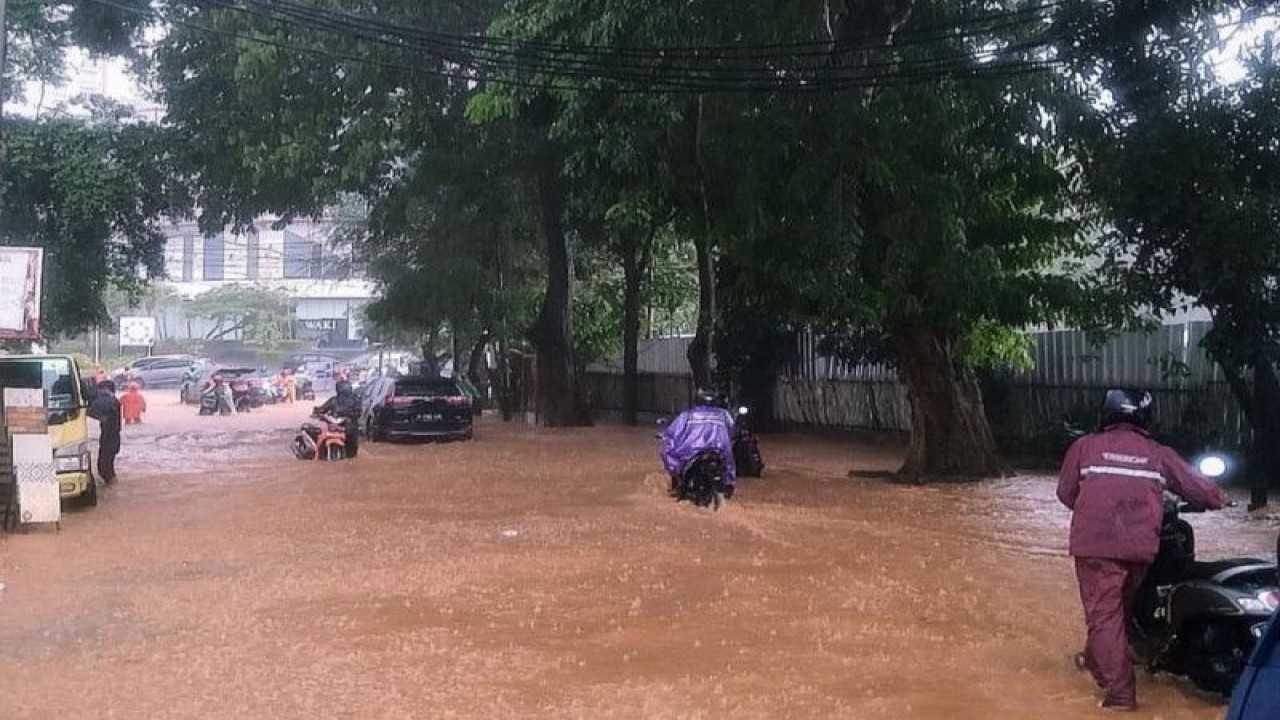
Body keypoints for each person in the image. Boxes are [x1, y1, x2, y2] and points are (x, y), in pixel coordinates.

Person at [1057, 388, 1228, 712]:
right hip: (1139, 549)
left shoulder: (1083, 448)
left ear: (1105, 415)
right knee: (1114, 612)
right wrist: (1222, 500)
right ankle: (1096, 660)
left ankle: (1120, 696)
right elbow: (1201, 490)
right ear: (1145, 419)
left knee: (1104, 615)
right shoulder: (1156, 453)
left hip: (1095, 547)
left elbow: (1066, 494)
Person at [660, 388, 737, 496]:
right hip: (718, 450)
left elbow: (672, 433)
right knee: (729, 461)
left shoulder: (687, 415)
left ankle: (677, 485)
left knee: (672, 457)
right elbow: (732, 430)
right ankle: (728, 484)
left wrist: (664, 436)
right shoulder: (723, 414)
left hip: (690, 452)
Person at [86, 380, 122, 484]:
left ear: (106, 390)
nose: (99, 393)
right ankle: (112, 487)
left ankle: (112, 487)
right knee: (107, 468)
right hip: (110, 438)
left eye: (100, 390)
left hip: (110, 439)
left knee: (104, 468)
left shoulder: (111, 402)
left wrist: (85, 410)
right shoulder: (113, 401)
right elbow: (102, 416)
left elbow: (94, 411)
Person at [315, 380, 361, 458]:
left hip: (348, 428)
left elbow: (322, 409)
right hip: (341, 427)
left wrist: (318, 410)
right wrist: (318, 411)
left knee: (352, 448)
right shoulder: (354, 399)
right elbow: (322, 409)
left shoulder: (335, 400)